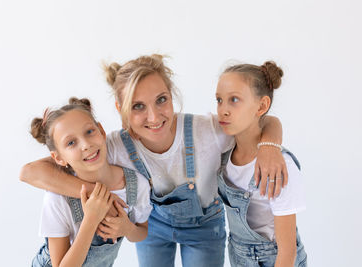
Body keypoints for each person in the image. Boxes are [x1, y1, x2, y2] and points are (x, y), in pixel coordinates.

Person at [20, 54, 288, 267]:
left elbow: (264, 119)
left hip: (204, 227)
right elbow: (30, 172)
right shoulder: (109, 145)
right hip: (153, 227)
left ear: (172, 96)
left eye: (161, 100)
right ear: (120, 109)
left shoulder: (206, 131)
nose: (153, 116)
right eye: (138, 106)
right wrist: (94, 194)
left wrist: (269, 145)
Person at [29, 97, 152, 267]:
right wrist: (90, 221)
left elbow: (142, 232)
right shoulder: (57, 199)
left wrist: (128, 229)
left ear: (101, 131)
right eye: (71, 142)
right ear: (58, 158)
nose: (86, 145)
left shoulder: (136, 184)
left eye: (89, 132)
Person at [216, 61, 307, 266]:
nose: (223, 110)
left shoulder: (279, 167)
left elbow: (287, 251)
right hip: (239, 255)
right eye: (219, 100)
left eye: (234, 100)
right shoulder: (224, 149)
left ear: (262, 106)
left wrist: (270, 146)